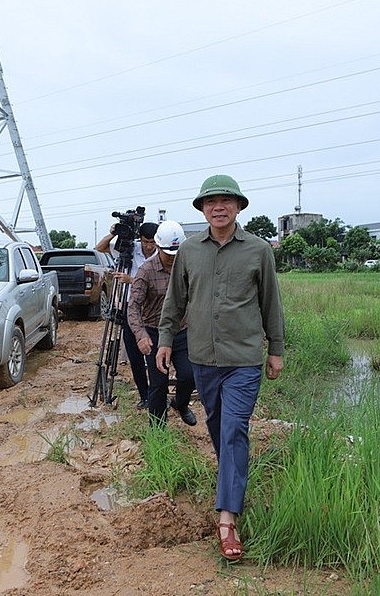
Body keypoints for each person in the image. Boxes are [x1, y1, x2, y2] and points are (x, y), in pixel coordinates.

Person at [156, 174, 284, 562]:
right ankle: (231, 475)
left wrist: (275, 348)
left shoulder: (259, 250)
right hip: (203, 360)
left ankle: (227, 518)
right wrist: (164, 340)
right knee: (218, 427)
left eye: (226, 200)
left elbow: (270, 302)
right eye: (210, 201)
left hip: (243, 360)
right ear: (202, 209)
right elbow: (175, 302)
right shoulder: (190, 251)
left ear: (239, 206)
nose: (218, 206)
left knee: (232, 430)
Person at [127, 220, 197, 427]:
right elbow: (133, 306)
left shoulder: (187, 267)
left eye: (177, 253)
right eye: (168, 254)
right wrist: (141, 335)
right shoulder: (145, 271)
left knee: (189, 375)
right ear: (158, 247)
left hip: (181, 331)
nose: (173, 258)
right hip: (155, 333)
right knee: (158, 383)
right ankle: (158, 430)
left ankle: (181, 404)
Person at [95, 221, 159, 410]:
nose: (149, 246)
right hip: (129, 307)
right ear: (140, 239)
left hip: (152, 308)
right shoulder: (130, 249)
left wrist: (131, 280)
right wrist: (113, 233)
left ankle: (156, 395)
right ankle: (144, 395)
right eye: (146, 241)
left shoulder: (162, 254)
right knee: (134, 356)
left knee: (152, 354)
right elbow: (100, 247)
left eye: (153, 242)